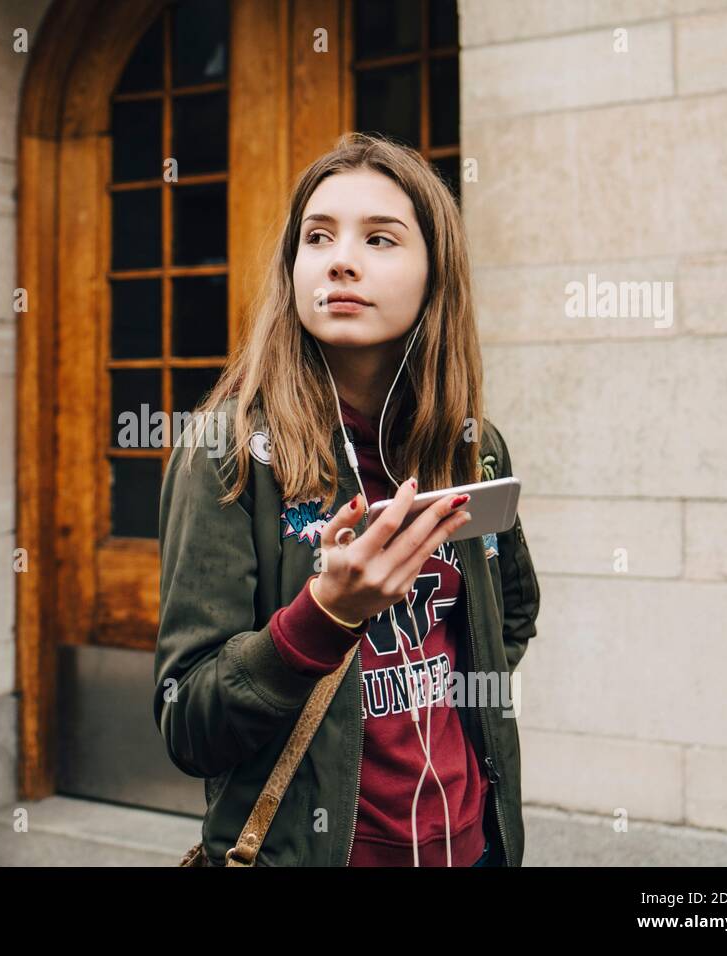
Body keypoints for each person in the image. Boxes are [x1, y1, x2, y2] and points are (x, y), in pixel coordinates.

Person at [153, 131, 541, 867]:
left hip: (476, 849)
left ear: (437, 273)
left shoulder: (472, 443)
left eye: (381, 239)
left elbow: (509, 619)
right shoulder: (229, 451)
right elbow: (189, 723)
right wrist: (323, 617)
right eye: (318, 236)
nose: (339, 259)